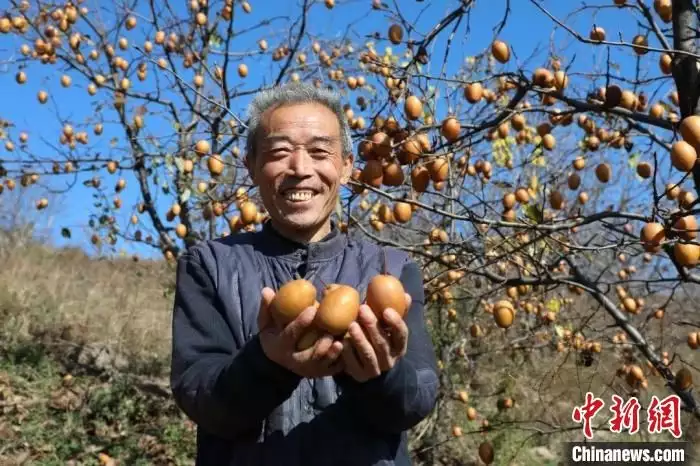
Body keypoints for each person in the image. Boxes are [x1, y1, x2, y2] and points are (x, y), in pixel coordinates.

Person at [170, 82, 439, 466]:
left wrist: (380, 377)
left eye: (319, 152)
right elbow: (200, 397)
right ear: (251, 165)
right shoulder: (208, 265)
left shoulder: (392, 269)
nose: (300, 169)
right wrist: (267, 363)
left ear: (346, 167)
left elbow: (416, 401)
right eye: (279, 152)